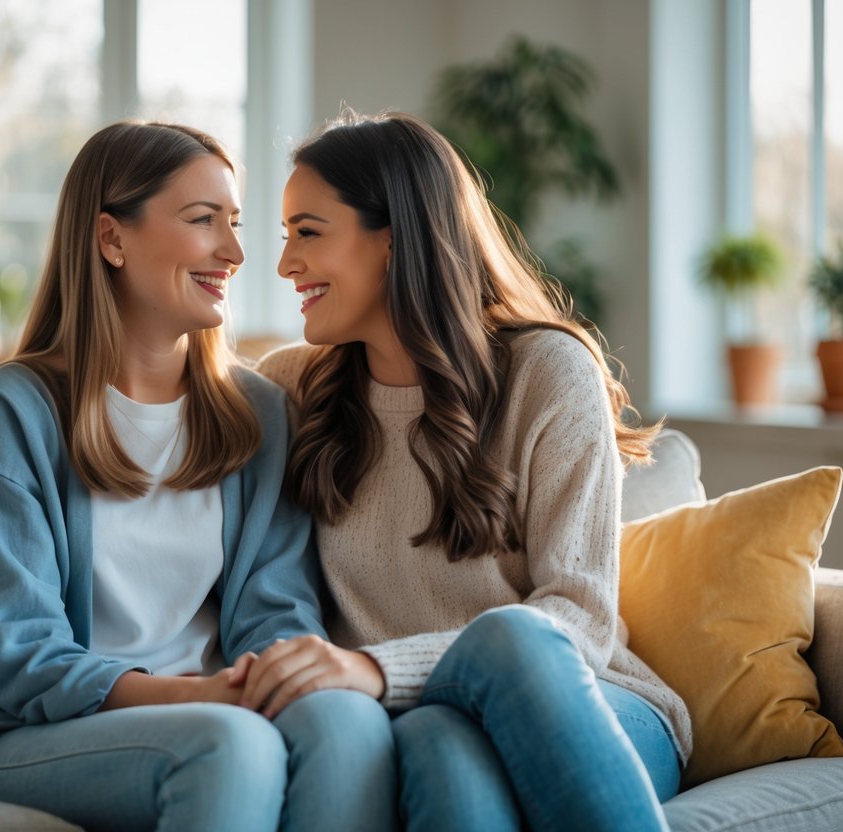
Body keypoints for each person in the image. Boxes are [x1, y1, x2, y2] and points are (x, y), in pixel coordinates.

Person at [0, 121, 394, 832]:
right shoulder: (15, 410)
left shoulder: (259, 412)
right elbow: (26, 659)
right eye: (203, 221)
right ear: (111, 239)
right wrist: (199, 696)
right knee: (229, 745)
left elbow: (276, 609)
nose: (235, 253)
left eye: (234, 224)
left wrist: (274, 679)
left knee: (347, 725)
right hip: (31, 731)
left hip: (219, 706)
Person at [249, 110, 692, 831]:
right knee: (436, 743)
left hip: (589, 707)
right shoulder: (290, 389)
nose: (284, 263)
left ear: (392, 238)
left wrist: (375, 670)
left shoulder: (546, 370)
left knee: (512, 635)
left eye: (307, 232)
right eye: (284, 235)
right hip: (424, 717)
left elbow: (576, 618)